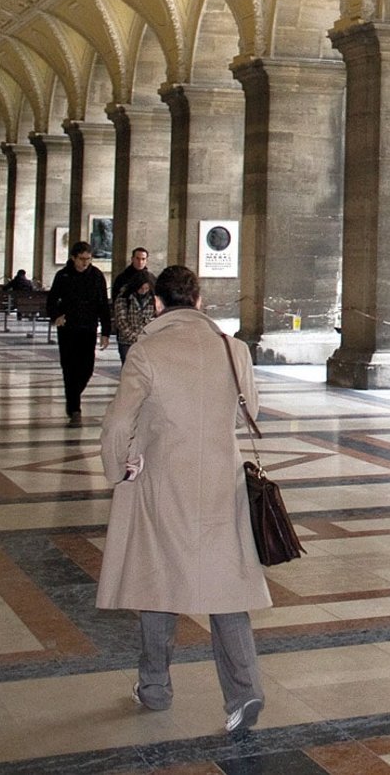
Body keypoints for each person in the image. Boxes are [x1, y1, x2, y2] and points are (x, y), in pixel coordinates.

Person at [96, 263, 268, 735]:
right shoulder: (234, 350)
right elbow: (250, 410)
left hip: (162, 483)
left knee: (157, 584)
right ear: (199, 300)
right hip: (220, 483)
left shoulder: (147, 352)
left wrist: (121, 466)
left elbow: (115, 424)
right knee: (227, 587)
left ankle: (154, 687)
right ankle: (243, 691)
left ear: (156, 303)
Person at [47, 240, 110, 426]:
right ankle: (75, 408)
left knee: (87, 368)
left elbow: (103, 305)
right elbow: (51, 300)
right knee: (69, 368)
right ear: (73, 258)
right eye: (81, 259)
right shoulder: (63, 275)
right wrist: (56, 316)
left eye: (88, 259)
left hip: (88, 328)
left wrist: (106, 331)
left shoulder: (97, 276)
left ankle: (72, 397)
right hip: (67, 328)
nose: (85, 263)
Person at [110, 266, 157, 363]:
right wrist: (134, 337)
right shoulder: (124, 297)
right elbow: (121, 320)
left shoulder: (153, 299)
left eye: (146, 288)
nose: (143, 291)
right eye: (141, 288)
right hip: (127, 341)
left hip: (146, 340)